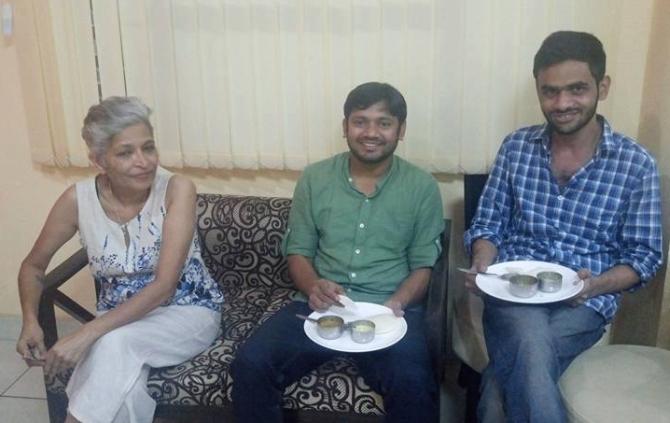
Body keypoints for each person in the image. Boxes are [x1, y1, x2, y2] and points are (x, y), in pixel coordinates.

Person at [463, 31, 663, 422]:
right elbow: (488, 224)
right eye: (550, 92)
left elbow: (645, 257)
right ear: (537, 90)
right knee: (529, 344)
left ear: (602, 87)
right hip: (513, 293)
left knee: (503, 383)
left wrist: (595, 285)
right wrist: (482, 263)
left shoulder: (637, 164)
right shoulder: (516, 147)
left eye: (577, 89)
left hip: (585, 302)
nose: (562, 103)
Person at [230, 82, 445, 422]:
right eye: (360, 121)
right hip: (320, 309)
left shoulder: (421, 187)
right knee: (250, 363)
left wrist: (397, 304)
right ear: (345, 126)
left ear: (401, 130)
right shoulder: (315, 179)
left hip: (388, 313)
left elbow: (423, 266)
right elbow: (298, 251)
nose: (370, 132)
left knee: (414, 382)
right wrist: (313, 286)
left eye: (384, 123)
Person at [16, 96, 224, 423]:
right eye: (126, 152)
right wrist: (30, 319)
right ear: (99, 160)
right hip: (118, 321)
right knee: (124, 390)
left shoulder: (176, 189)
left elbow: (164, 286)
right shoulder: (77, 200)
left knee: (111, 345)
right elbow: (33, 266)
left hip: (186, 312)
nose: (143, 161)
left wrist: (89, 333)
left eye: (149, 148)